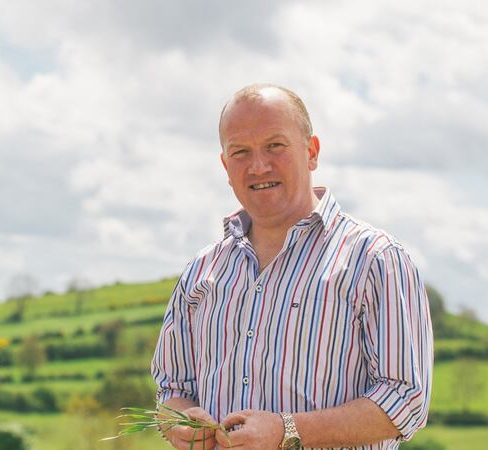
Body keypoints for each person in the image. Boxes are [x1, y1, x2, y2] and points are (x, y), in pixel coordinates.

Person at [151, 84, 432, 450]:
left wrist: (287, 430)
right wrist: (181, 421)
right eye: (240, 152)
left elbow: (406, 401)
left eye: (275, 146)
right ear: (225, 165)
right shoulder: (201, 271)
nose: (258, 166)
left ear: (311, 152)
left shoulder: (375, 259)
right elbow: (173, 389)